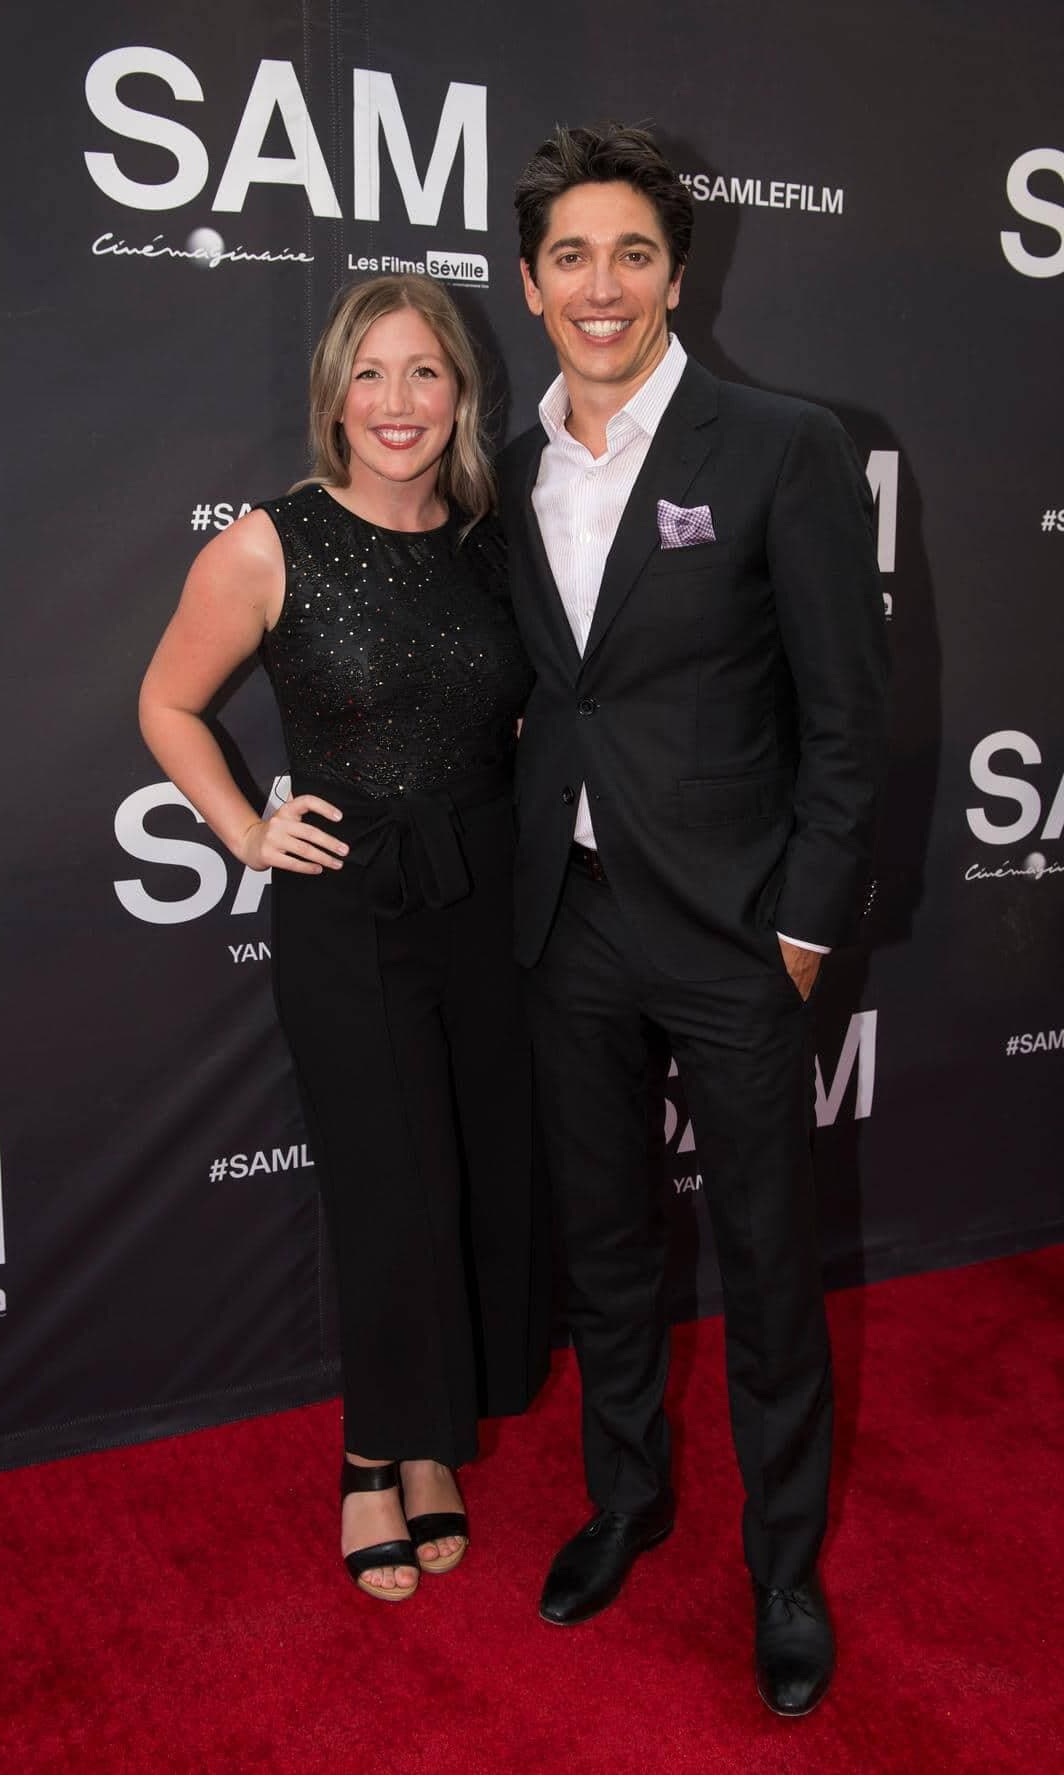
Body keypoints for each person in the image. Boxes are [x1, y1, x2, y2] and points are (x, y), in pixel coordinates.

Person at [500, 124, 888, 1712]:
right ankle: (627, 1497)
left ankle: (783, 1566)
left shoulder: (783, 445)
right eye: (571, 257)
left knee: (771, 1263)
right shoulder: (506, 469)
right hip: (570, 921)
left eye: (633, 254)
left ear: (676, 275)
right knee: (603, 1242)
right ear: (532, 287)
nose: (602, 286)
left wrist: (802, 930)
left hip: (736, 929)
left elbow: (849, 718)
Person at [140, 275, 548, 1604]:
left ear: (462, 393)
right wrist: (246, 831)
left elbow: (525, 708)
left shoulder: (493, 543)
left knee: (478, 1171)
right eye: (369, 373)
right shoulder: (270, 544)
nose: (397, 401)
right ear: (333, 397)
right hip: (349, 904)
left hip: (487, 893)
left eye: (424, 371)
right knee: (389, 1187)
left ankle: (435, 1437)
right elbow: (167, 701)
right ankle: (374, 1451)